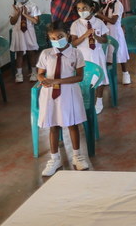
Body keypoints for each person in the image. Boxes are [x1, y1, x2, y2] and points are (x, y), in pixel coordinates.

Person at [36, 21, 89, 176]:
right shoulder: (46, 53)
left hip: (69, 92)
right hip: (50, 94)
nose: (56, 40)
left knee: (72, 124)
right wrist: (42, 80)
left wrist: (57, 81)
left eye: (60, 36)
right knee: (53, 126)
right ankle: (54, 159)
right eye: (53, 38)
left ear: (67, 34)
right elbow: (40, 73)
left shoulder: (76, 53)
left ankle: (77, 156)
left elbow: (79, 77)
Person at [70, 0, 109, 114]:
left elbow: (105, 40)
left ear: (91, 8)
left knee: (100, 78)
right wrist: (85, 35)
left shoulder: (99, 22)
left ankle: (99, 101)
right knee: (84, 79)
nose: (81, 11)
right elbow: (74, 43)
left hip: (97, 53)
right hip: (82, 55)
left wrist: (96, 37)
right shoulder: (75, 24)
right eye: (79, 9)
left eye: (84, 8)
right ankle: (83, 101)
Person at [96, 0, 131, 85]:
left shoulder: (118, 5)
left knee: (120, 53)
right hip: (107, 31)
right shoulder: (108, 3)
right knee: (108, 53)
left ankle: (125, 73)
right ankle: (107, 76)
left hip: (115, 31)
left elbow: (113, 20)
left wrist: (100, 15)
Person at [9, 0, 40, 83]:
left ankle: (34, 73)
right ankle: (19, 74)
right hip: (18, 32)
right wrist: (18, 13)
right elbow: (12, 22)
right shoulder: (14, 7)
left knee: (31, 52)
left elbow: (35, 21)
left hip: (29, 32)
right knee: (19, 53)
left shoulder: (33, 6)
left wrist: (26, 14)